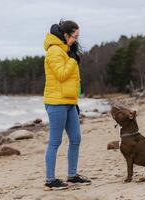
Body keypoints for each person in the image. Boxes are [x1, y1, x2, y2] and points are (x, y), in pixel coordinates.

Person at [43, 20, 91, 190]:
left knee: (76, 139)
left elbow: (72, 81)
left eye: (78, 37)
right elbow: (62, 75)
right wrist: (72, 60)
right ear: (65, 35)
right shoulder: (54, 51)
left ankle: (72, 176)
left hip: (69, 102)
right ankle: (50, 180)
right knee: (55, 142)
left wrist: (75, 101)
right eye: (74, 36)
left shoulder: (65, 50)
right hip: (56, 103)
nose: (76, 40)